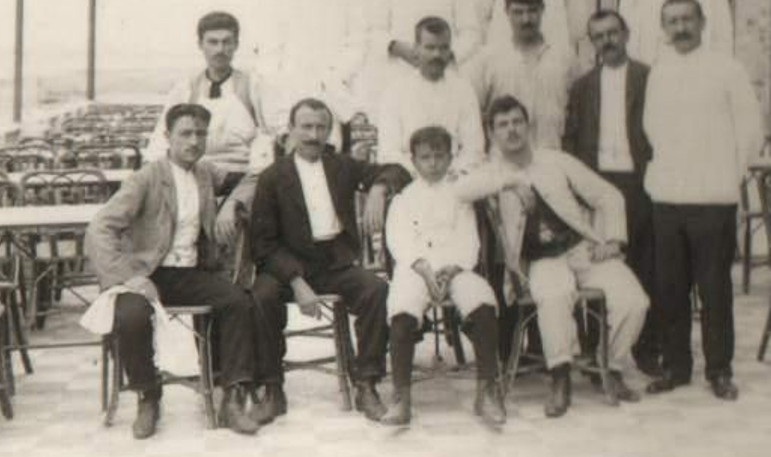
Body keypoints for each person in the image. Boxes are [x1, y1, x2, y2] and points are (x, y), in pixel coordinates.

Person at [84, 104, 272, 439]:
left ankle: (231, 394)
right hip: (147, 274)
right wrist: (130, 277)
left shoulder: (205, 173)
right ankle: (148, 396)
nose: (194, 141)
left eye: (201, 134)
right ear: (167, 137)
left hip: (189, 272)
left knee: (237, 301)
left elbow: (253, 177)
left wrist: (230, 204)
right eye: (186, 133)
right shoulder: (146, 178)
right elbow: (99, 228)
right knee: (131, 316)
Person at [453, 96, 646, 418]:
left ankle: (609, 366)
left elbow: (608, 195)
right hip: (541, 260)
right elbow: (460, 190)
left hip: (582, 249)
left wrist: (612, 240)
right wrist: (512, 180)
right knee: (554, 295)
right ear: (492, 133)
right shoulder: (492, 173)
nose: (511, 130)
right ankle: (560, 377)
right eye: (502, 125)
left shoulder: (556, 161)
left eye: (517, 122)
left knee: (633, 299)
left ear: (527, 126)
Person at [245, 99, 410, 422]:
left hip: (333, 261)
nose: (313, 135)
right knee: (261, 297)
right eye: (306, 127)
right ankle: (273, 389)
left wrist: (377, 187)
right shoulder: (272, 177)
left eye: (321, 127)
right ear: (291, 131)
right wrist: (295, 280)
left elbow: (397, 171)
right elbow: (262, 244)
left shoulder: (341, 166)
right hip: (284, 265)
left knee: (375, 290)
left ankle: (366, 383)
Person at [642, 0, 763, 401]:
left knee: (714, 289)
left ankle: (719, 369)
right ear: (664, 28)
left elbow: (750, 131)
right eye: (672, 21)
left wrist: (731, 175)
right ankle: (676, 366)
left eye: (687, 19)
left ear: (702, 21)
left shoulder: (727, 69)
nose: (680, 28)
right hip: (668, 196)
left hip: (714, 197)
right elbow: (651, 128)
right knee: (670, 288)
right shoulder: (659, 73)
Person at [381, 125, 507, 428]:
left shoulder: (460, 195)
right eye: (425, 157)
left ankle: (487, 390)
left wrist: (454, 268)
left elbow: (469, 239)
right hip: (416, 269)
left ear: (451, 157)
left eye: (440, 156)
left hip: (455, 267)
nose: (433, 163)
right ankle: (401, 397)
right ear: (414, 160)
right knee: (401, 307)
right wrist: (422, 267)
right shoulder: (403, 198)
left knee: (482, 301)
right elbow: (397, 240)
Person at [562, 7, 660, 376]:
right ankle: (592, 348)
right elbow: (570, 138)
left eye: (613, 32)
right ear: (593, 43)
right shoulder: (583, 86)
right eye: (599, 36)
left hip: (639, 182)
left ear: (626, 33)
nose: (608, 41)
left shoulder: (648, 77)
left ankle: (646, 348)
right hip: (597, 187)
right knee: (596, 265)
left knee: (644, 266)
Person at [257, 0, 367, 150]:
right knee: (293, 155)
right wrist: (279, 82)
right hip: (293, 86)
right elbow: (272, 46)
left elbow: (357, 43)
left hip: (334, 88)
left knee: (333, 154)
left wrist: (334, 76)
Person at [144, 11, 276, 197]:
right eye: (213, 42)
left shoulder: (253, 85)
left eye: (226, 42)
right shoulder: (186, 88)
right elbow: (161, 136)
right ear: (200, 45)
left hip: (244, 178)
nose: (220, 49)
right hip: (196, 176)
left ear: (236, 45)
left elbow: (274, 131)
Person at [462, 0, 577, 151]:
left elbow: (577, 114)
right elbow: (471, 115)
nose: (526, 19)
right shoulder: (488, 59)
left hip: (552, 159)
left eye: (532, 11)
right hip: (504, 164)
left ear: (542, 10)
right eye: (518, 12)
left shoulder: (565, 58)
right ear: (506, 12)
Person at [376, 16, 486, 179]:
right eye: (430, 47)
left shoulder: (463, 89)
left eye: (443, 48)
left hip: (454, 178)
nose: (437, 54)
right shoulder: (395, 91)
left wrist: (451, 173)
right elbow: (388, 151)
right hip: (409, 178)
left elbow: (474, 148)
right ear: (416, 49)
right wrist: (421, 173)